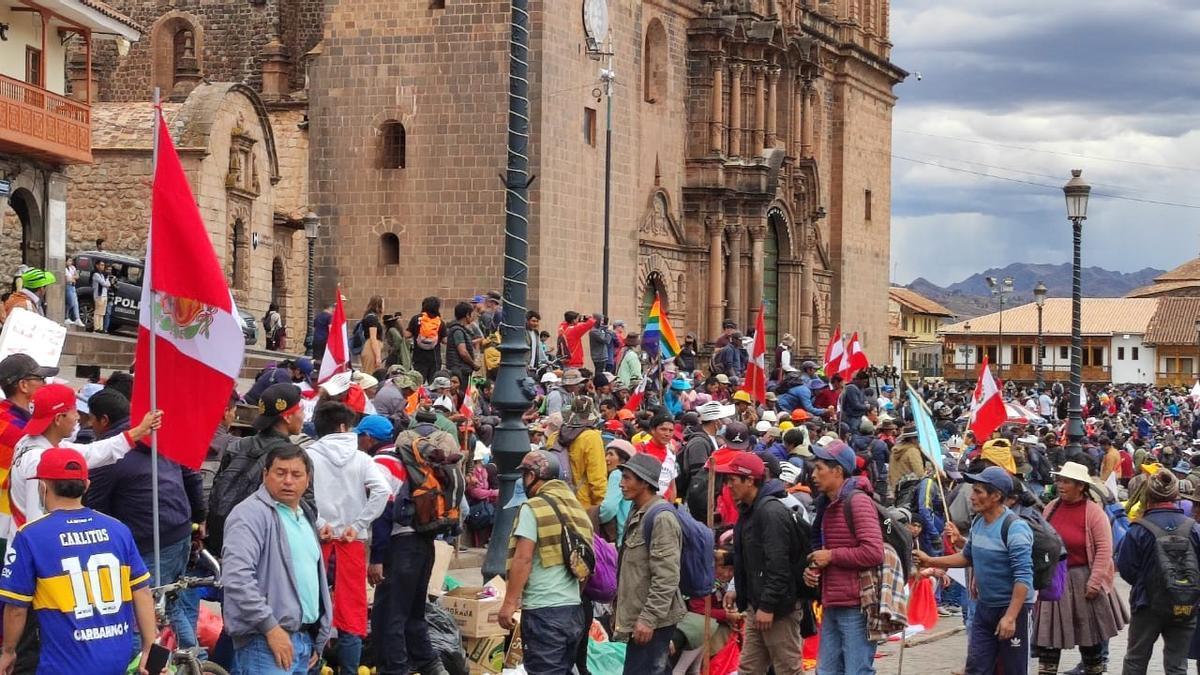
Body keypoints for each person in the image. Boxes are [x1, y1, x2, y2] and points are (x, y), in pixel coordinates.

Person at [0, 448, 158, 675]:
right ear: (86, 485)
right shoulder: (118, 529)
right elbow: (142, 591)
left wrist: (8, 651)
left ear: (42, 486)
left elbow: (16, 607)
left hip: (63, 664)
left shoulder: (31, 536)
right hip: (116, 660)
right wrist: (148, 646)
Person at [83, 388, 201, 653]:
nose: (88, 425)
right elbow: (192, 477)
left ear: (103, 420)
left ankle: (144, 663)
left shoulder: (108, 453)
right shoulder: (157, 436)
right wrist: (199, 520)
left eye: (90, 419)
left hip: (150, 542)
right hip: (179, 529)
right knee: (170, 603)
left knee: (141, 614)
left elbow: (94, 507)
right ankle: (194, 659)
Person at [222, 444, 332, 674]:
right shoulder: (249, 515)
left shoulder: (304, 514)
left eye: (296, 474)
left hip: (303, 640)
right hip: (265, 642)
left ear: (308, 479)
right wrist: (270, 627)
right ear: (265, 475)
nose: (288, 481)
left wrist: (318, 634)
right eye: (280, 473)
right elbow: (236, 578)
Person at [917, 466, 1034, 675]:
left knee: (1012, 670)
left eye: (978, 492)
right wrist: (930, 561)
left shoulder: (1015, 528)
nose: (972, 497)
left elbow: (1023, 577)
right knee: (976, 667)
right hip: (984, 608)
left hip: (1012, 609)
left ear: (996, 496)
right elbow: (966, 556)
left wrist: (1010, 617)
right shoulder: (979, 522)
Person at [370, 408, 456, 675]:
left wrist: (377, 558)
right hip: (424, 541)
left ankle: (394, 668)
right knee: (415, 610)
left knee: (391, 613)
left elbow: (384, 512)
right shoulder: (416, 462)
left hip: (401, 545)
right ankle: (431, 665)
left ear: (367, 438)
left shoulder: (383, 463)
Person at [306, 403, 390, 675]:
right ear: (344, 427)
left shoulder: (307, 455)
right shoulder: (362, 459)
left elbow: (300, 495)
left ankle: (311, 668)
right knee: (351, 615)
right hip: (351, 544)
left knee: (311, 610)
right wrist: (359, 523)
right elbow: (382, 490)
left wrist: (320, 523)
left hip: (316, 540)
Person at [499, 450, 592, 675]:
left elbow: (523, 557)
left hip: (544, 612)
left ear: (531, 476)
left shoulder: (535, 507)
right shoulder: (575, 508)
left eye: (524, 475)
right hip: (574, 611)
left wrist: (509, 603)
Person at [1033, 462, 1127, 675]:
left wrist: (1095, 582)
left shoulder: (1093, 512)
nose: (1060, 485)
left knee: (1090, 642)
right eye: (1059, 480)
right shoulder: (1051, 508)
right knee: (1048, 640)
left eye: (1066, 482)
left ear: (1080, 486)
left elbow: (1104, 548)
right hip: (1055, 580)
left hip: (1084, 579)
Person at [721, 452, 810, 675]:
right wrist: (728, 564)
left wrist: (768, 606)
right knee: (749, 668)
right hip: (757, 604)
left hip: (778, 609)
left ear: (749, 480)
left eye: (732, 480)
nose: (728, 486)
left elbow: (779, 565)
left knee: (787, 669)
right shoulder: (750, 509)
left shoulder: (770, 512)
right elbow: (755, 556)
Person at [806, 439, 884, 675]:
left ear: (837, 471)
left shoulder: (857, 502)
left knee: (857, 670)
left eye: (820, 468)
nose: (813, 475)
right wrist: (813, 569)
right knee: (826, 671)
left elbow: (873, 552)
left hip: (856, 604)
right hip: (833, 600)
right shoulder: (827, 505)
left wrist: (831, 556)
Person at [207, 382, 309, 555]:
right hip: (267, 546)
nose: (304, 415)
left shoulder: (237, 446)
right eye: (300, 410)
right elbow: (305, 509)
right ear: (288, 417)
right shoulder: (294, 460)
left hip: (225, 539)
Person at [1117, 469, 1200, 675]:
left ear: (1148, 495)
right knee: (1177, 665)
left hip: (1147, 604)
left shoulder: (1138, 529)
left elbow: (1126, 569)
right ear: (1176, 495)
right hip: (1186, 605)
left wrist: (1146, 582)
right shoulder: (1193, 529)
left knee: (1136, 661)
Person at [614, 453, 687, 673]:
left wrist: (648, 619)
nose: (621, 483)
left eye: (627, 478)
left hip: (654, 621)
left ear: (644, 482)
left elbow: (666, 577)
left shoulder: (661, 518)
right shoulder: (638, 511)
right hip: (640, 616)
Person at [0, 354, 56, 551]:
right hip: (8, 526)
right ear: (23, 385)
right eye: (41, 379)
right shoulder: (19, 432)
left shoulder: (9, 419)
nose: (46, 384)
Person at [558, 395, 607, 507]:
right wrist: (600, 506)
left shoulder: (556, 436)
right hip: (581, 506)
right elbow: (597, 479)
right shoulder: (591, 438)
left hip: (558, 502)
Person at [598, 439, 635, 542]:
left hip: (620, 536)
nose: (606, 458)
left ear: (623, 459)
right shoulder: (633, 477)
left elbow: (609, 507)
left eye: (611, 454)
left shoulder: (617, 474)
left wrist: (595, 519)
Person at [408, 296, 446, 384]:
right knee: (434, 384)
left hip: (419, 358)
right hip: (434, 358)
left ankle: (418, 397)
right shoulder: (440, 322)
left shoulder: (416, 319)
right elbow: (445, 340)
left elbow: (408, 334)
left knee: (418, 383)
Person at [444, 301, 480, 389]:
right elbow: (463, 352)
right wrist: (474, 365)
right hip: (460, 371)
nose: (473, 317)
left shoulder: (459, 330)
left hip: (460, 370)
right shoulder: (458, 331)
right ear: (467, 315)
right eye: (472, 314)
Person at [90, 261, 110, 332]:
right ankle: (96, 328)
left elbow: (108, 284)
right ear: (97, 265)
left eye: (103, 265)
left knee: (102, 313)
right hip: (99, 295)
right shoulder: (96, 274)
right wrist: (106, 283)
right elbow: (104, 283)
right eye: (101, 265)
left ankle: (100, 328)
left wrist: (107, 282)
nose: (102, 266)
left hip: (104, 295)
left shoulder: (102, 275)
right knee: (98, 312)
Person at [63, 257, 82, 326]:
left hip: (73, 286)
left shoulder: (72, 268)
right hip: (68, 286)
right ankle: (66, 317)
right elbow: (67, 279)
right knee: (71, 303)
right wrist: (72, 278)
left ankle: (77, 318)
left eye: (71, 261)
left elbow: (77, 276)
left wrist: (72, 278)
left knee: (75, 303)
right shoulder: (64, 269)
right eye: (69, 261)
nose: (70, 262)